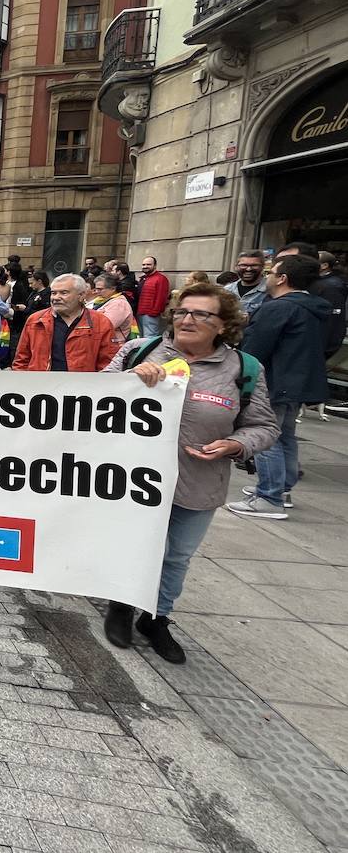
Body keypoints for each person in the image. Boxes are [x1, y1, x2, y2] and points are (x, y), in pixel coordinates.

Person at [103, 283, 279, 663]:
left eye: (201, 314)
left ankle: (156, 618)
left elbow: (264, 426)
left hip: (198, 483)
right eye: (182, 311)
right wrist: (128, 381)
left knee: (177, 555)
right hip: (132, 480)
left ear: (223, 325)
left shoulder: (244, 369)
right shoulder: (138, 351)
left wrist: (236, 445)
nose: (188, 319)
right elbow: (94, 401)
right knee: (132, 545)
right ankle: (121, 605)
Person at [225, 254, 331, 519]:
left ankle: (269, 496)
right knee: (284, 435)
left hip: (275, 381)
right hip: (297, 382)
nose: (268, 277)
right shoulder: (313, 306)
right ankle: (281, 488)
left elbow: (255, 350)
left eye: (272, 273)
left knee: (264, 437)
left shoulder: (279, 308)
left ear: (283, 279)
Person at [11, 274, 124, 373]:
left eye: (64, 293)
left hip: (81, 392)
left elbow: (108, 364)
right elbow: (21, 360)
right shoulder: (35, 320)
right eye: (53, 293)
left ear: (81, 296)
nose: (56, 298)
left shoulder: (100, 323)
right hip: (42, 390)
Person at [90, 272, 136, 339]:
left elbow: (105, 326)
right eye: (96, 289)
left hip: (113, 345)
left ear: (113, 289)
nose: (96, 291)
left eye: (100, 289)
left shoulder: (119, 304)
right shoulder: (104, 300)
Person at [134, 256, 171, 337]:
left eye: (148, 264)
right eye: (143, 264)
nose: (145, 266)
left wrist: (154, 312)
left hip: (150, 314)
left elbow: (161, 297)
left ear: (155, 266)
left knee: (150, 337)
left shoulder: (161, 279)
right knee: (141, 337)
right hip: (140, 312)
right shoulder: (143, 278)